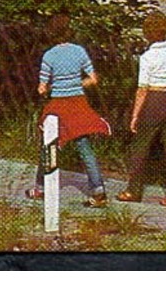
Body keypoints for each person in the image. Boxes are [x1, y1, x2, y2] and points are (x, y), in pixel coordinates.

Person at [27, 14, 111, 207]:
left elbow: (42, 88)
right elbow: (93, 79)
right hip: (78, 102)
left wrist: (50, 87)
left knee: (48, 147)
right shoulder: (79, 51)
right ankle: (98, 191)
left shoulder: (49, 56)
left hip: (58, 105)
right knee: (84, 146)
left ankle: (40, 188)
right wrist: (78, 84)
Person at [116, 9, 166, 208]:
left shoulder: (147, 57)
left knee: (140, 147)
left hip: (155, 101)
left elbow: (142, 89)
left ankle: (133, 190)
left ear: (147, 33)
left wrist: (134, 116)